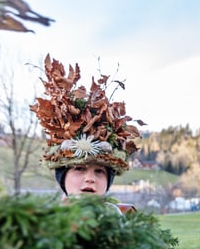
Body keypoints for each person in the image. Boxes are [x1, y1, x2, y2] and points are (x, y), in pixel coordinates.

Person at [30, 54, 144, 213]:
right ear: (62, 176)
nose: (90, 179)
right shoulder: (42, 222)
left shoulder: (125, 219)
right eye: (79, 168)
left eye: (99, 171)